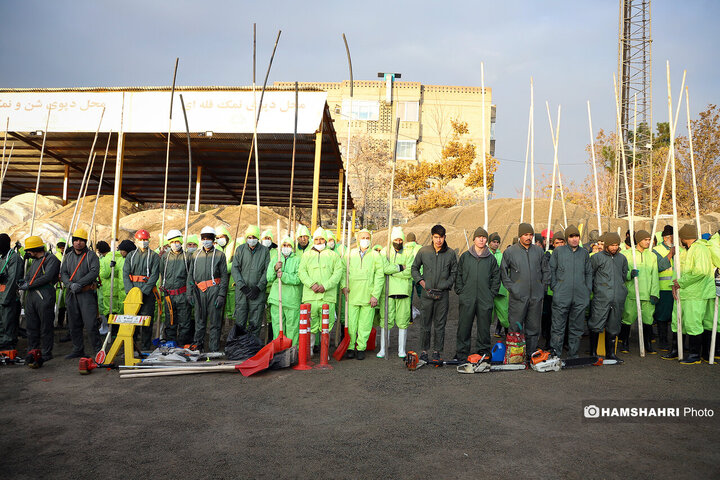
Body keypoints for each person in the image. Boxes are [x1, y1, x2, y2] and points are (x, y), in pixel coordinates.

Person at [663, 224, 715, 364]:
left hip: (695, 294)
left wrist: (681, 282)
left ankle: (694, 355)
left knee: (693, 323)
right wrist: (675, 284)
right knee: (677, 322)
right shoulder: (688, 250)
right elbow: (681, 271)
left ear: (684, 237)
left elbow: (701, 271)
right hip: (684, 293)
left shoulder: (700, 249)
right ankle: (676, 350)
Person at [500, 223, 549, 357]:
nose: (528, 237)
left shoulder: (539, 251)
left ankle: (530, 354)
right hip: (518, 297)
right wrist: (512, 288)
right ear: (520, 235)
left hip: (536, 297)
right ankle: (515, 356)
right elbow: (503, 272)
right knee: (516, 326)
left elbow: (546, 270)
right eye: (525, 234)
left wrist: (542, 287)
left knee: (533, 327)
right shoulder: (510, 252)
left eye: (530, 235)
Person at [411, 224, 458, 363]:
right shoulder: (423, 251)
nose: (438, 240)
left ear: (445, 237)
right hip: (427, 295)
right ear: (432, 237)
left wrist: (447, 284)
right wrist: (421, 281)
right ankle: (424, 351)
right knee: (425, 324)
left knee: (440, 325)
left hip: (442, 296)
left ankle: (437, 351)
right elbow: (414, 268)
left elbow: (454, 272)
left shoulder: (450, 253)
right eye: (436, 237)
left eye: (441, 237)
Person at [454, 227, 500, 361]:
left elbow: (496, 277)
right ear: (474, 239)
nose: (481, 239)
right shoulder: (465, 257)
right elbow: (459, 274)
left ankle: (483, 352)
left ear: (487, 240)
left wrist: (491, 294)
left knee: (484, 327)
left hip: (485, 298)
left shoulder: (490, 259)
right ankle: (462, 353)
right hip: (467, 297)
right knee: (464, 326)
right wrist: (460, 291)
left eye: (484, 237)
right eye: (479, 237)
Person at [339, 229, 383, 360]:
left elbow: (379, 276)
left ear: (371, 239)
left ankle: (361, 347)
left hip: (368, 296)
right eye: (362, 237)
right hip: (352, 294)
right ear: (358, 239)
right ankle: (351, 347)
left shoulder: (376, 255)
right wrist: (343, 286)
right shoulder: (350, 254)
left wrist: (375, 295)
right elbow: (343, 271)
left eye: (367, 237)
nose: (365, 239)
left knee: (365, 324)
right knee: (351, 323)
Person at [549, 225, 592, 358]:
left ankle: (573, 354)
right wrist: (555, 288)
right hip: (562, 295)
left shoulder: (584, 253)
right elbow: (551, 271)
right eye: (571, 236)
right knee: (557, 327)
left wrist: (587, 290)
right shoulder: (558, 252)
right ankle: (555, 353)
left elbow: (589, 273)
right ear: (567, 238)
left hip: (580, 296)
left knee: (577, 327)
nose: (574, 239)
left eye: (577, 236)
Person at [298, 227, 343, 353]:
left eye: (322, 239)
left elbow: (338, 273)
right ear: (313, 240)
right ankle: (310, 349)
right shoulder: (307, 255)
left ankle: (324, 352)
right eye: (317, 239)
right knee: (311, 325)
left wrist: (325, 286)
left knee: (326, 326)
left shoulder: (333, 255)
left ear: (326, 240)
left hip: (327, 296)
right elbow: (301, 272)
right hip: (310, 296)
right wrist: (311, 284)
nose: (319, 241)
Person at [60, 228, 101, 359]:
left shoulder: (91, 256)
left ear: (85, 242)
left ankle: (98, 350)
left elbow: (94, 272)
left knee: (91, 324)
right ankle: (78, 349)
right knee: (73, 324)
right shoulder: (68, 256)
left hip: (86, 293)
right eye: (76, 240)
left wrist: (80, 283)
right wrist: (70, 284)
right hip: (72, 294)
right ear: (73, 242)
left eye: (81, 240)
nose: (78, 243)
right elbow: (64, 272)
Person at [187, 226, 229, 352]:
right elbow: (190, 275)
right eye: (204, 238)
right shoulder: (195, 255)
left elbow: (224, 276)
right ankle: (197, 348)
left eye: (208, 238)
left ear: (213, 240)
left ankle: (213, 350)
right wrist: (189, 293)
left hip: (214, 291)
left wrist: (221, 295)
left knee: (215, 323)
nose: (206, 241)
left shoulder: (220, 255)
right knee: (199, 321)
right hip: (199, 291)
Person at [19, 236, 60, 362]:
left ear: (35, 249)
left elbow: (47, 277)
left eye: (29, 250)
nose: (27, 253)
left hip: (44, 294)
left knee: (45, 325)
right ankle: (33, 350)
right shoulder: (35, 261)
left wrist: (30, 284)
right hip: (31, 296)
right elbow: (30, 276)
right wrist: (24, 282)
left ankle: (46, 352)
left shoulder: (51, 259)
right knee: (31, 326)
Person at [588, 233, 627, 363]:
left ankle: (610, 353)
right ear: (606, 245)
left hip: (617, 298)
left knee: (614, 325)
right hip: (602, 297)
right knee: (596, 323)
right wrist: (596, 290)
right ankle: (593, 352)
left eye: (616, 245)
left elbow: (623, 275)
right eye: (612, 245)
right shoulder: (597, 258)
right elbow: (590, 275)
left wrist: (622, 291)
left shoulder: (622, 258)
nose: (614, 247)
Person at [619, 230, 659, 354]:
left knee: (648, 320)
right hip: (632, 293)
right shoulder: (627, 254)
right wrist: (630, 275)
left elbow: (655, 276)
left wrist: (655, 293)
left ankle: (648, 344)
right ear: (638, 240)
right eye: (645, 239)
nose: (648, 242)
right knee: (628, 318)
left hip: (647, 294)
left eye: (649, 239)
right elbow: (621, 273)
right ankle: (624, 343)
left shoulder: (652, 256)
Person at [377, 227, 415, 358]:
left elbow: (409, 271)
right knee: (385, 320)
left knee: (403, 320)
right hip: (388, 292)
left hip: (404, 291)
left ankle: (401, 350)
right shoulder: (384, 252)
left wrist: (392, 273)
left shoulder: (409, 253)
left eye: (400, 239)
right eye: (396, 239)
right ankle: (383, 348)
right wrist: (399, 268)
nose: (398, 241)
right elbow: (383, 269)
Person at [123, 229, 161, 350]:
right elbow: (125, 273)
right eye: (141, 240)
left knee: (146, 320)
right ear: (136, 240)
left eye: (145, 240)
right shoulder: (131, 255)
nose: (143, 242)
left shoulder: (154, 256)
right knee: (132, 321)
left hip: (147, 293)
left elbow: (155, 275)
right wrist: (131, 291)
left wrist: (144, 291)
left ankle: (145, 347)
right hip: (133, 293)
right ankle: (131, 347)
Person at [231, 225, 270, 339]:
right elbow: (235, 268)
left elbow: (267, 271)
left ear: (257, 238)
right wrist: (242, 286)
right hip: (242, 292)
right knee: (240, 320)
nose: (251, 239)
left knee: (255, 322)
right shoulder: (240, 249)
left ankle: (252, 346)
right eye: (249, 237)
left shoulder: (264, 251)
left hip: (257, 292)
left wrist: (259, 287)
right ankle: (239, 345)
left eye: (254, 237)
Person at [266, 236, 302, 345]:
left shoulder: (298, 260)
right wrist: (275, 269)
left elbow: (298, 279)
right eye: (284, 245)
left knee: (292, 327)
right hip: (277, 298)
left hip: (292, 299)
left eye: (289, 245)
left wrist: (284, 276)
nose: (286, 248)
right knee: (277, 326)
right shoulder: (276, 259)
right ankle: (278, 349)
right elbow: (269, 278)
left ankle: (292, 350)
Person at [160, 230, 192, 345]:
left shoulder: (187, 257)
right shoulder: (165, 257)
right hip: (169, 295)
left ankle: (183, 344)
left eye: (177, 241)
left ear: (181, 241)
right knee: (170, 321)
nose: (175, 244)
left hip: (182, 295)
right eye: (172, 242)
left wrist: (189, 293)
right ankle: (170, 343)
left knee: (184, 321)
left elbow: (190, 276)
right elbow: (162, 273)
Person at [652, 225, 675, 350]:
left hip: (678, 288)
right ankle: (663, 341)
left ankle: (677, 343)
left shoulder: (681, 250)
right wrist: (670, 254)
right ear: (665, 237)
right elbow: (659, 267)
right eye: (671, 236)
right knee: (663, 315)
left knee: (677, 316)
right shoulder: (657, 250)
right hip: (664, 288)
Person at [541, 231, 565, 348]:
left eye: (562, 242)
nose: (559, 245)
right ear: (553, 244)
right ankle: (548, 342)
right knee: (550, 319)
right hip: (551, 293)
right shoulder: (548, 253)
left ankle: (563, 342)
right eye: (557, 242)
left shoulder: (569, 254)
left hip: (565, 292)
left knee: (565, 319)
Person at [0, 234, 23, 350]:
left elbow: (13, 279)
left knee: (8, 322)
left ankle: (9, 344)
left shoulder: (14, 258)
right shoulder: (2, 258)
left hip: (8, 297)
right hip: (1, 296)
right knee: (2, 323)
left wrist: (5, 298)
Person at [489, 232, 509, 337]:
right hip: (488, 290)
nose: (496, 244)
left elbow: (505, 271)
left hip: (500, 289)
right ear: (489, 242)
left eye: (497, 242)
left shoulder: (501, 255)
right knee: (488, 315)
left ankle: (508, 335)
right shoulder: (485, 254)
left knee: (504, 314)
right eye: (494, 241)